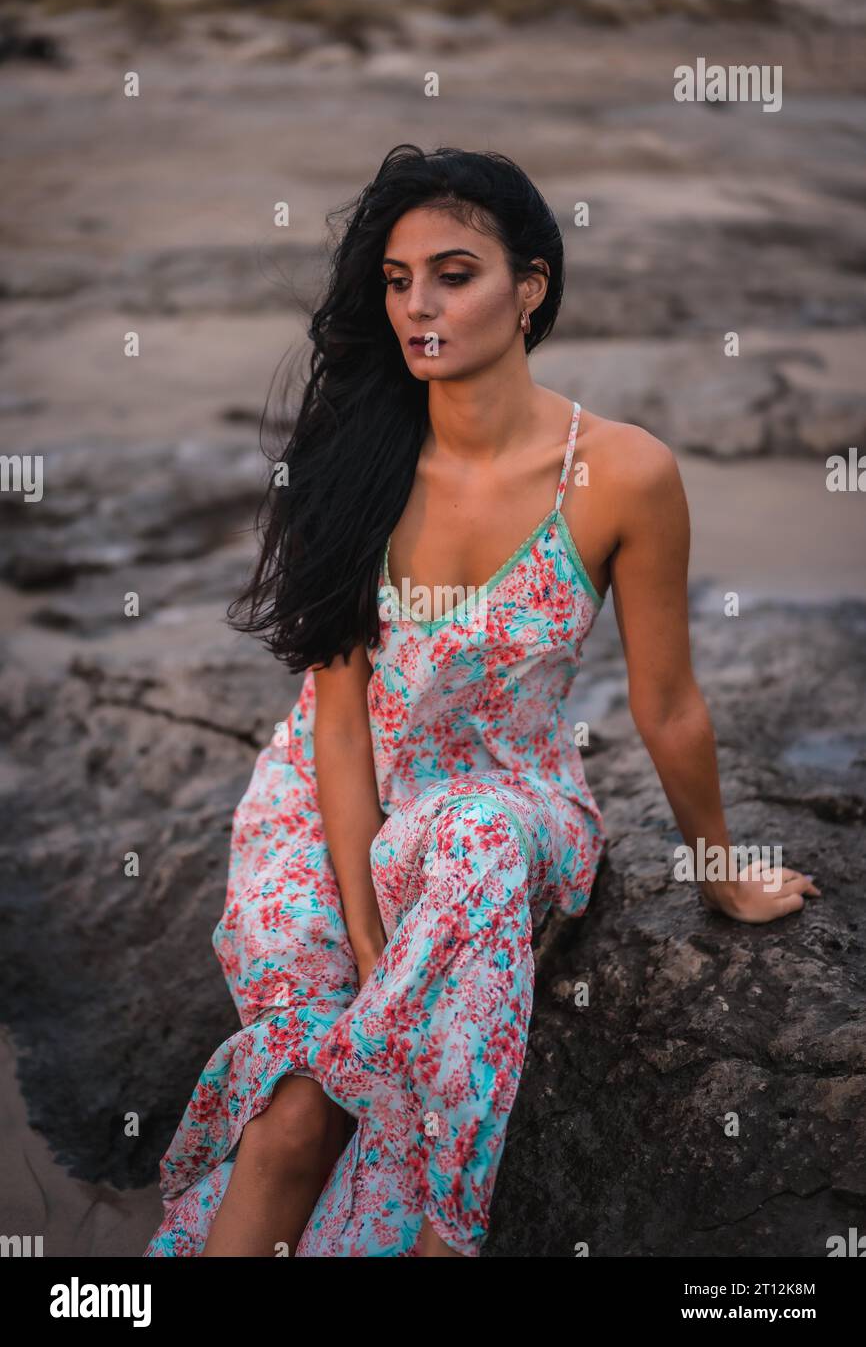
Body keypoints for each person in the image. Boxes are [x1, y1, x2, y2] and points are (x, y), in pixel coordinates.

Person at [143, 143, 819, 1259]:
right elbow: (340, 714)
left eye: (453, 273)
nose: (418, 304)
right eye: (398, 279)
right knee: (295, 1111)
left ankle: (432, 1236)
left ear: (530, 288)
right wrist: (366, 936)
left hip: (502, 797)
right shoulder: (352, 459)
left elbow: (666, 703)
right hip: (322, 807)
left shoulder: (622, 473)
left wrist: (719, 875)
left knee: (472, 843)